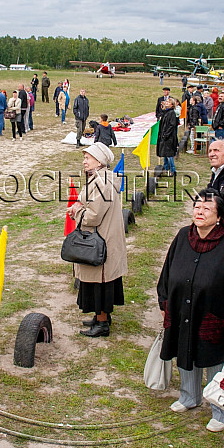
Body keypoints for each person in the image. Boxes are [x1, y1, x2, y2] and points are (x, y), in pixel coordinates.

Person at [157, 188, 224, 433]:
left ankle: (221, 411)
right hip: (181, 306)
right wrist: (165, 301)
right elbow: (168, 269)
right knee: (184, 349)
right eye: (197, 206)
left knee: (215, 358)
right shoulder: (184, 235)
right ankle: (189, 396)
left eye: (206, 208)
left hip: (213, 310)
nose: (199, 211)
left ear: (219, 216)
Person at [66, 142, 127, 337]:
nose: (84, 161)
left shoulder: (103, 182)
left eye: (87, 158)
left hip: (101, 240)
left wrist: (76, 211)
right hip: (101, 238)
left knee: (101, 283)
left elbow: (93, 216)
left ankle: (102, 324)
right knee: (98, 282)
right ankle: (101, 317)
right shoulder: (99, 179)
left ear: (99, 161)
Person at [156, 100, 178, 176]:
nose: (167, 103)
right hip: (163, 136)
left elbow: (172, 125)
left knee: (169, 155)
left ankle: (173, 170)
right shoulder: (166, 112)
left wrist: (166, 134)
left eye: (168, 102)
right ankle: (166, 168)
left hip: (169, 137)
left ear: (172, 105)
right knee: (164, 153)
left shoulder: (172, 113)